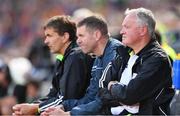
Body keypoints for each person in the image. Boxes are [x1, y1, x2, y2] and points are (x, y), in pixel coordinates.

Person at [41, 15, 126, 116]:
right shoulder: (98, 57)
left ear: (97, 35)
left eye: (81, 36)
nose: (78, 41)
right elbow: (91, 97)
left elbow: (102, 103)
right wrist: (64, 106)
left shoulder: (114, 54)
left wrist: (69, 114)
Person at [97, 7, 175, 115]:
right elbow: (101, 91)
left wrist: (112, 86)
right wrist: (122, 96)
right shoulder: (123, 54)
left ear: (142, 30)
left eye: (126, 27)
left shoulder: (157, 59)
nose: (121, 31)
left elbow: (129, 95)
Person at [12, 15, 93, 115]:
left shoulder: (76, 57)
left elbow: (66, 99)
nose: (46, 41)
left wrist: (36, 109)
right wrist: (32, 106)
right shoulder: (61, 57)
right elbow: (54, 93)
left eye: (49, 36)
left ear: (65, 37)